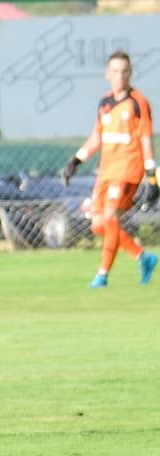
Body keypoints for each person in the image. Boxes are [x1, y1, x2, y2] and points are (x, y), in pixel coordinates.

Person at [61, 50, 158, 289]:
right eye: (115, 71)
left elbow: (146, 139)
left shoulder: (138, 102)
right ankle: (143, 256)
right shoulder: (104, 103)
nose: (120, 76)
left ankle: (102, 276)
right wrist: (76, 160)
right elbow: (97, 137)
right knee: (98, 225)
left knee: (110, 217)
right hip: (106, 171)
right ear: (107, 74)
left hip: (128, 170)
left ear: (130, 73)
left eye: (124, 71)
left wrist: (152, 173)